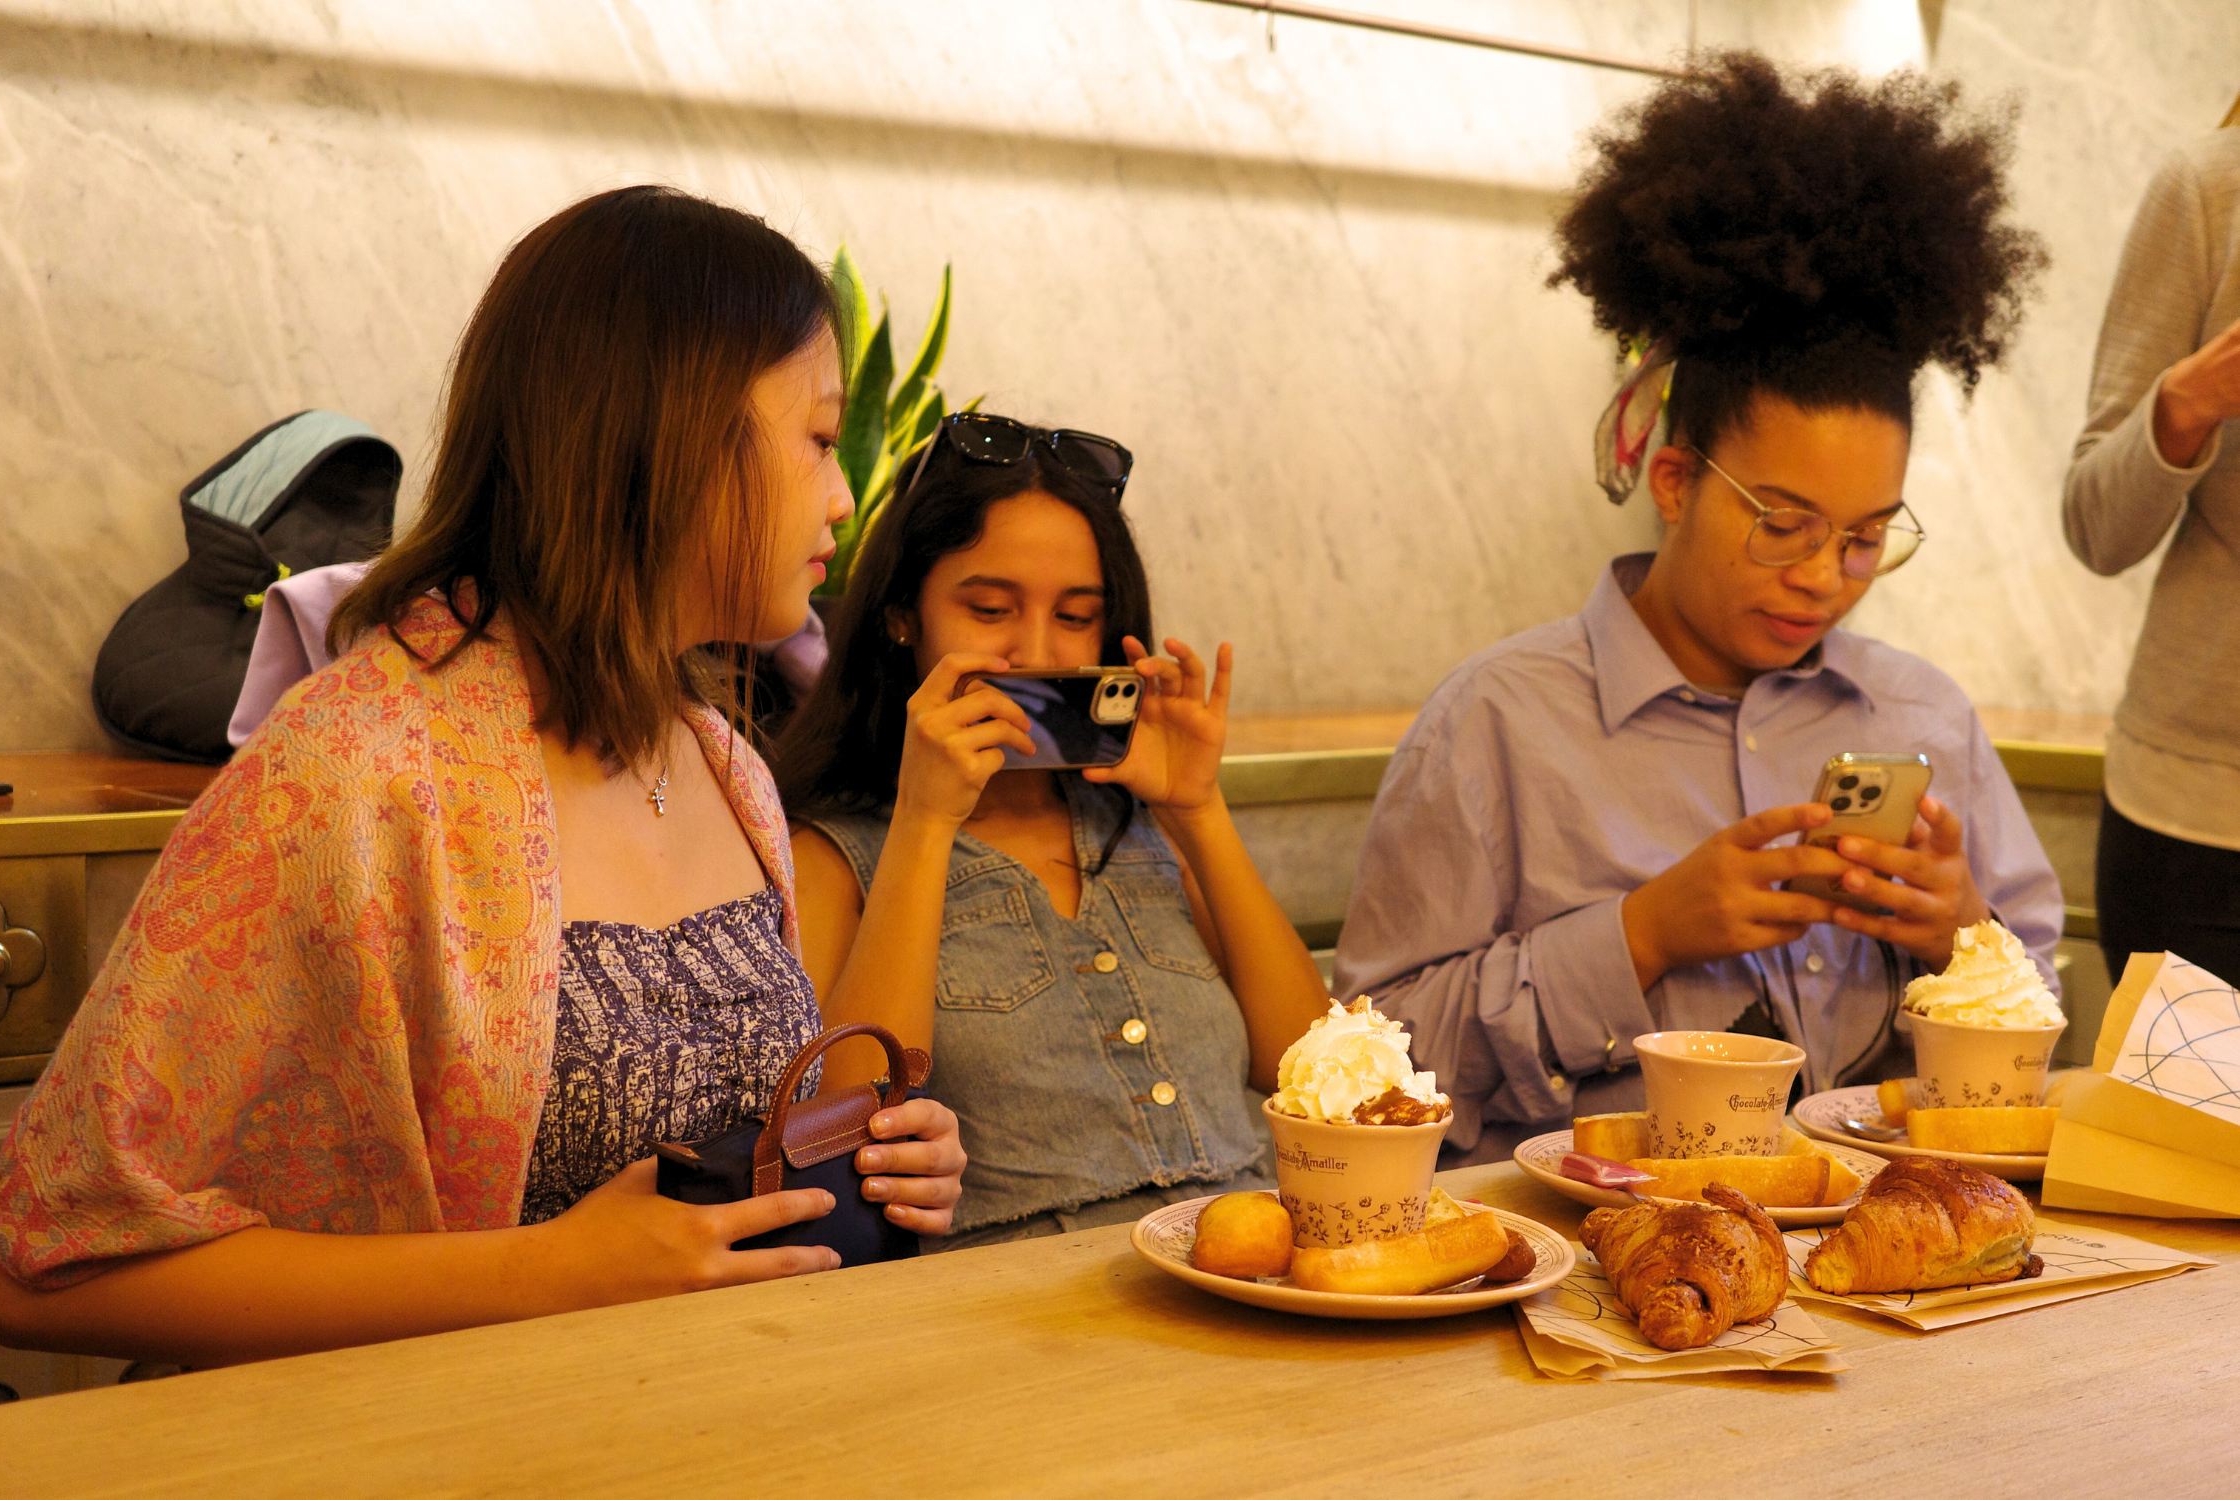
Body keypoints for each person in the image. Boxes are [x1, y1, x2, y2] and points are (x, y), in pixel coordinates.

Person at [0, 186, 965, 1365]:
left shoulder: (721, 761)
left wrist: (855, 1166)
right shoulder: (354, 773)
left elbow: (697, 1202)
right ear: (669, 429)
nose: (844, 496)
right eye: (817, 438)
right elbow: (40, 1260)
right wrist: (542, 1273)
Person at [1335, 53, 2064, 1160]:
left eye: (1867, 536)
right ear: (1676, 484)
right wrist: (1641, 935)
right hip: (1592, 1254)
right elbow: (1369, 1065)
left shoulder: (1921, 716)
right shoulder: (1500, 723)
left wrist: (1962, 938)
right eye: (1783, 523)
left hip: (1878, 1235)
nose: (1825, 576)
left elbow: (2039, 1020)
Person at [775, 412, 1327, 1246]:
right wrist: (927, 818)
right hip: (1023, 1320)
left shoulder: (1149, 829)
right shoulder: (833, 855)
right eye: (991, 608)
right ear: (901, 618)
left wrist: (1198, 811)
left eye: (1075, 618)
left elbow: (1313, 1073)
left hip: (1250, 1262)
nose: (1035, 651)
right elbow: (850, 1132)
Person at [2061, 111, 2240, 982]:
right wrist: (2183, 406)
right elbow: (2095, 525)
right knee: (2174, 1126)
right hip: (2199, 832)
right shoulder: (2210, 191)